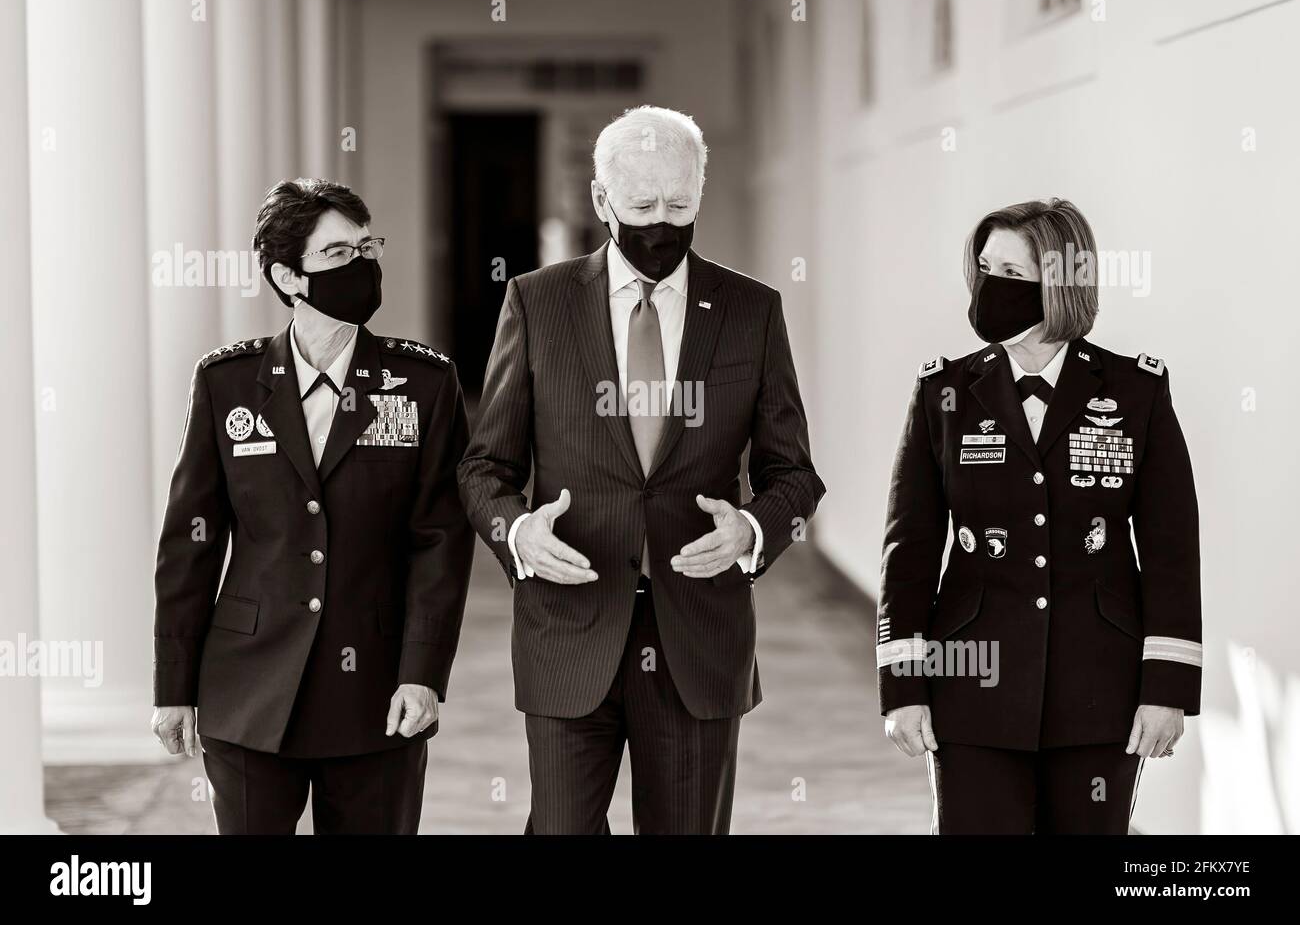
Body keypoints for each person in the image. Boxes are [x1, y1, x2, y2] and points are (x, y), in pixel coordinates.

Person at [458, 105, 825, 834]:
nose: (663, 222)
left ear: (701, 193)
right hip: (568, 626)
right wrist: (517, 533)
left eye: (680, 203)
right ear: (601, 201)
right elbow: (485, 467)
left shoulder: (752, 311)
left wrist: (753, 528)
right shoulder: (537, 303)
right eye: (642, 205)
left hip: (698, 632)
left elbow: (794, 473)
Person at [150, 179, 474, 834]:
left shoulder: (424, 383)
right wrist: (173, 686)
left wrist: (423, 675)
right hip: (247, 691)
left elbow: (440, 541)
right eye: (337, 253)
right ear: (288, 277)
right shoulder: (226, 383)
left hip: (377, 696)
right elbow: (191, 542)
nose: (362, 264)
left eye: (366, 246)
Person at [877, 198, 1201, 834]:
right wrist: (904, 685)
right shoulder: (942, 393)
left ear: (1061, 284)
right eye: (985, 267)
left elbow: (1170, 549)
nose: (991, 287)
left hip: (1100, 688)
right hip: (970, 682)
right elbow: (910, 549)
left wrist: (1166, 687)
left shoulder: (1135, 392)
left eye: (1014, 276)